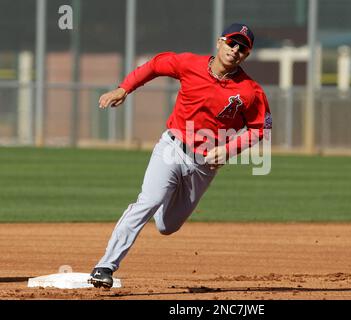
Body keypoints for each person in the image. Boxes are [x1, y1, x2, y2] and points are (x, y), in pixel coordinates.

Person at [88, 23, 272, 288]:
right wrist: (124, 88)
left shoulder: (249, 91)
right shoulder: (189, 64)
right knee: (148, 201)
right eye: (232, 43)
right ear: (220, 42)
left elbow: (260, 128)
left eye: (242, 48)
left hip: (205, 165)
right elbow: (154, 65)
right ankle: (105, 266)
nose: (235, 50)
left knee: (167, 226)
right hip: (172, 147)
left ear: (247, 55)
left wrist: (229, 149)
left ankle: (162, 196)